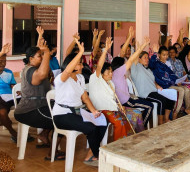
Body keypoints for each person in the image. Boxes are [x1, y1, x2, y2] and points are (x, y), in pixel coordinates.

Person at [52, 37, 107, 167]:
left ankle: (92, 153)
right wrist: (80, 52)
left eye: (81, 63)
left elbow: (85, 98)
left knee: (102, 121)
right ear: (71, 64)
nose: (82, 65)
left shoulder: (80, 78)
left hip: (77, 112)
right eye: (79, 63)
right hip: (62, 115)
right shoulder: (61, 78)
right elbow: (67, 70)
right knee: (91, 128)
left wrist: (94, 111)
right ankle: (97, 155)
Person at [14, 33, 63, 160]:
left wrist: (40, 38)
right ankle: (52, 153)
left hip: (38, 107)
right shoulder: (30, 70)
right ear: (31, 59)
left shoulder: (32, 66)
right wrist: (47, 53)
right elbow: (41, 75)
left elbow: (36, 54)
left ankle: (43, 134)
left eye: (42, 56)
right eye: (39, 56)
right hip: (30, 110)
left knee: (62, 109)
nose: (41, 58)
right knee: (62, 119)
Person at [89, 37, 144, 140]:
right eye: (108, 72)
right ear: (101, 73)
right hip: (102, 109)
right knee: (120, 121)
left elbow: (113, 99)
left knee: (136, 113)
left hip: (113, 108)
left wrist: (119, 106)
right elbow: (100, 66)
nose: (111, 74)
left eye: (111, 71)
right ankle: (119, 145)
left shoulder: (110, 83)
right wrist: (105, 50)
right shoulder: (96, 79)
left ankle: (136, 138)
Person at [112, 35, 154, 127]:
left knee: (148, 104)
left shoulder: (116, 73)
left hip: (129, 98)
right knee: (150, 106)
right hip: (126, 101)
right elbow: (131, 60)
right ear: (120, 65)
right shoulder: (118, 72)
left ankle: (140, 125)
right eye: (124, 63)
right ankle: (142, 127)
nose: (126, 65)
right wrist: (142, 46)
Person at [130, 47, 175, 125]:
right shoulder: (136, 67)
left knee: (171, 98)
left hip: (154, 91)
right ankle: (160, 123)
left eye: (148, 58)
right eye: (145, 58)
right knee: (162, 101)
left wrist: (157, 86)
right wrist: (139, 49)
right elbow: (133, 58)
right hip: (145, 93)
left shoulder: (148, 70)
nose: (147, 59)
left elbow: (153, 81)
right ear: (139, 59)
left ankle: (166, 119)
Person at [149, 45, 190, 119]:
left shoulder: (165, 65)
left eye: (166, 55)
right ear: (159, 55)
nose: (166, 56)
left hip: (170, 84)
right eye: (163, 55)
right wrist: (155, 53)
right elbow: (151, 63)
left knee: (187, 89)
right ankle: (175, 113)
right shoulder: (156, 63)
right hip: (163, 86)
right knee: (181, 90)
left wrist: (177, 81)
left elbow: (172, 75)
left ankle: (187, 108)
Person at [167, 46, 190, 112]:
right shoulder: (167, 62)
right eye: (170, 52)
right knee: (188, 89)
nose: (172, 54)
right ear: (168, 53)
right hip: (175, 82)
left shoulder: (179, 61)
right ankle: (187, 108)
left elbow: (183, 71)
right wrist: (177, 80)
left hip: (182, 80)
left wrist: (185, 78)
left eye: (173, 52)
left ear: (176, 53)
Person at [0, 43, 22, 142]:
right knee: (3, 113)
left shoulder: (9, 72)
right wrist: (2, 52)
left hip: (9, 97)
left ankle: (5, 123)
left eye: (4, 61)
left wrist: (17, 91)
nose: (3, 64)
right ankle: (13, 132)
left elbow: (13, 85)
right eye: (0, 61)